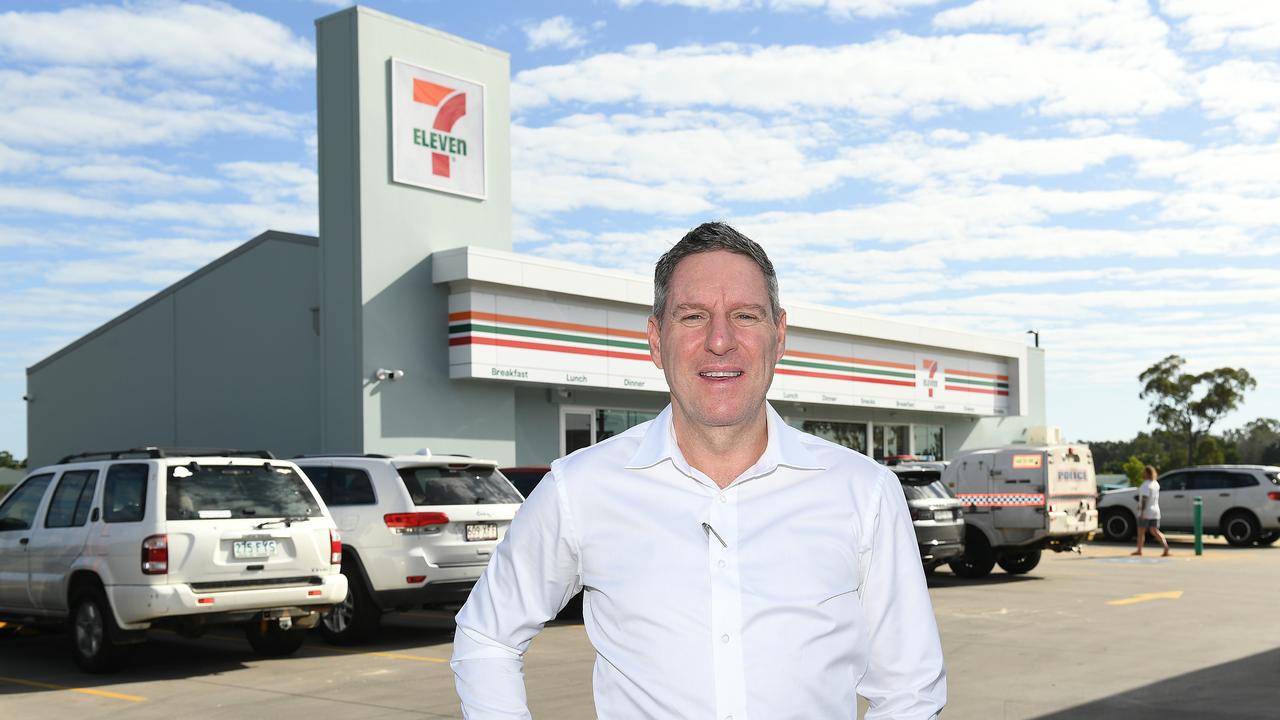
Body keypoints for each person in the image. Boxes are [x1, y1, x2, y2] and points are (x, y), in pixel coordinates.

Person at [451, 222, 946, 719]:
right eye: (692, 317)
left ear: (779, 335)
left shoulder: (864, 491)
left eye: (745, 316)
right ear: (655, 339)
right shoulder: (580, 488)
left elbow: (910, 688)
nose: (720, 340)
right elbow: (486, 636)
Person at [1133, 464, 1170, 557]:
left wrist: (1141, 511)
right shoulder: (1155, 484)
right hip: (1155, 511)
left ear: (1147, 473)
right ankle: (1166, 547)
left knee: (1141, 532)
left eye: (1144, 472)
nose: (1143, 474)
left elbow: (1145, 499)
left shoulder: (1146, 485)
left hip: (1146, 512)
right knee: (1154, 531)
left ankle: (1139, 550)